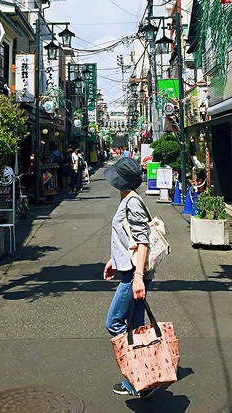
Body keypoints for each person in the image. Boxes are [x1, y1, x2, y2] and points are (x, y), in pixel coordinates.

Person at [103, 157, 155, 399]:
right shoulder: (128, 199)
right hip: (128, 269)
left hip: (132, 274)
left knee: (114, 322)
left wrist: (137, 277)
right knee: (136, 327)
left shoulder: (132, 201)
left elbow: (142, 240)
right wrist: (114, 259)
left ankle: (135, 375)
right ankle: (140, 381)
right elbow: (128, 236)